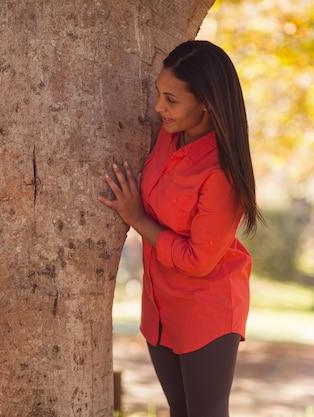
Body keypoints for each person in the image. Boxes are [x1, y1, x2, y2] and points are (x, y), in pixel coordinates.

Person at [98, 40, 262, 417]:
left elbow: (199, 259)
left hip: (207, 310)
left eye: (171, 100)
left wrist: (137, 218)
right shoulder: (167, 139)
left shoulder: (219, 173)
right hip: (160, 308)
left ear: (205, 102)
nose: (158, 108)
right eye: (159, 94)